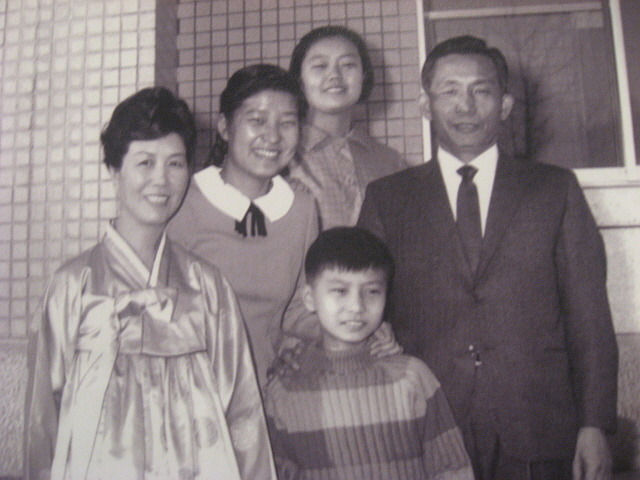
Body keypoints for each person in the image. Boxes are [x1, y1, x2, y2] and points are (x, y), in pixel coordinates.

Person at [357, 35, 618, 480]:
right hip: (425, 422)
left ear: (505, 105)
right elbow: (360, 304)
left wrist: (595, 424)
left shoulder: (554, 189)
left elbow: (589, 316)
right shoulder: (388, 198)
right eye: (449, 91)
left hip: (538, 425)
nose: (466, 106)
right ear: (425, 105)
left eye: (482, 91)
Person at [24, 87, 276, 480]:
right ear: (114, 170)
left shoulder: (207, 286)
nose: (161, 179)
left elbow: (242, 412)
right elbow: (43, 415)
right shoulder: (73, 285)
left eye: (175, 163)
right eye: (145, 162)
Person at [264, 227, 474, 480]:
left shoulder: (411, 377)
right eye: (340, 291)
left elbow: (452, 468)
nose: (356, 306)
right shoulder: (285, 389)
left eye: (372, 291)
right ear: (309, 298)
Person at [168, 64, 319, 386]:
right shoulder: (181, 202)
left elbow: (299, 309)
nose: (273, 136)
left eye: (287, 123)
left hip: (269, 391)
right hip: (191, 393)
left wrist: (359, 327)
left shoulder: (302, 208)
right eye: (257, 120)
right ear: (225, 127)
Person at [287, 25, 407, 229]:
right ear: (300, 80)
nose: (334, 75)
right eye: (320, 66)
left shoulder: (391, 162)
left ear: (364, 76)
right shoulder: (282, 155)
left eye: (348, 65)